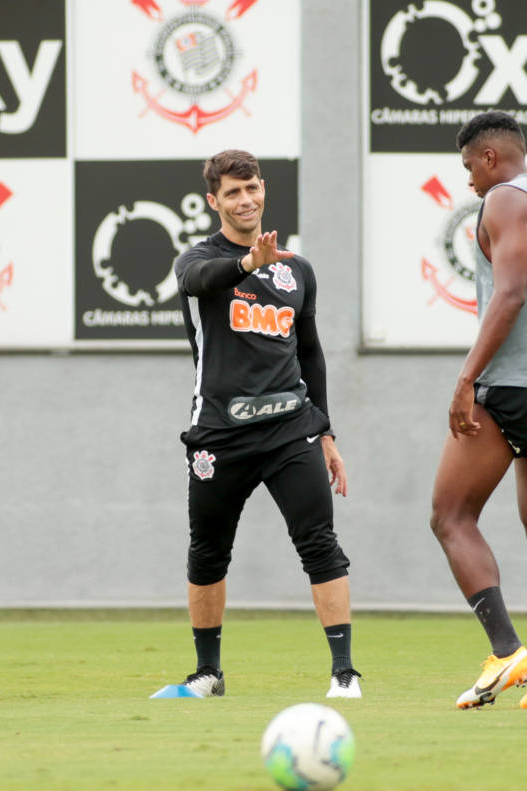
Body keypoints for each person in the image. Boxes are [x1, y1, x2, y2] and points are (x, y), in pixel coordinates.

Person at [165, 149, 361, 699]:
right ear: (214, 201)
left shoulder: (297, 269)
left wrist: (326, 432)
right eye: (232, 192)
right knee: (208, 552)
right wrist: (249, 264)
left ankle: (344, 674)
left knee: (320, 544)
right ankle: (208, 673)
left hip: (289, 430)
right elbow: (200, 281)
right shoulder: (197, 259)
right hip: (218, 434)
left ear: (263, 188)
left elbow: (311, 354)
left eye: (251, 187)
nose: (245, 199)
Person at [430, 111, 527, 710]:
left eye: (469, 166)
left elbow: (512, 293)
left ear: (490, 157)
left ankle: (505, 650)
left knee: (450, 515)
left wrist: (467, 378)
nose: (469, 180)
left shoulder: (502, 200)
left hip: (511, 385)